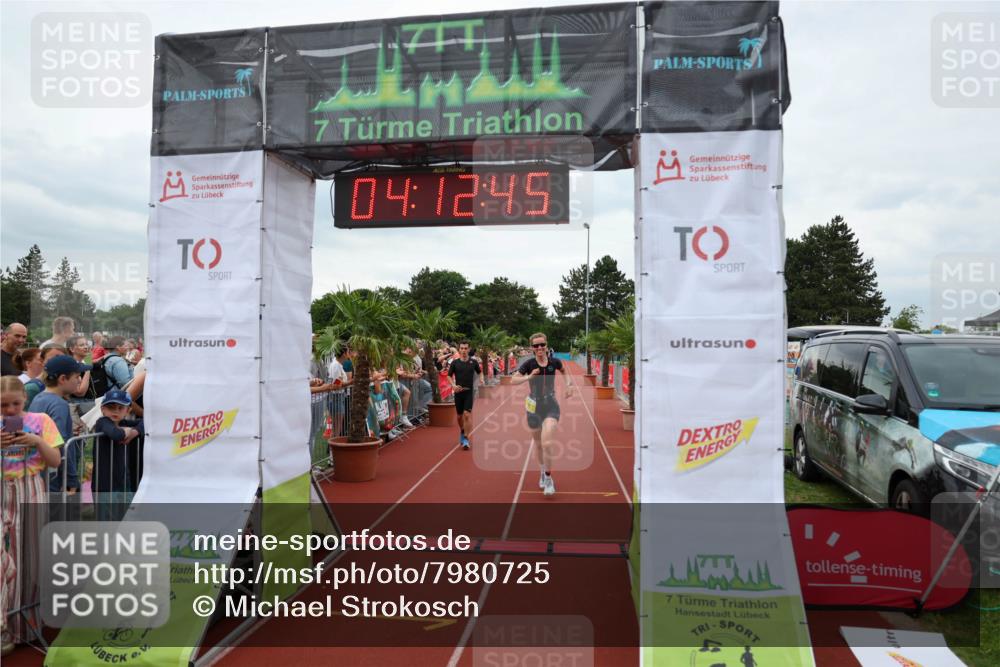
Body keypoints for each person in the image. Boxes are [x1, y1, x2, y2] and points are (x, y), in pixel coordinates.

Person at [1, 376, 63, 655]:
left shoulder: (40, 420)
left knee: (30, 557)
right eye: (3, 405)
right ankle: (4, 623)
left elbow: (56, 461)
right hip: (4, 489)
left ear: (24, 399)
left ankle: (25, 626)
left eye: (15, 403)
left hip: (32, 489)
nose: (10, 410)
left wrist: (37, 440)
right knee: (5, 561)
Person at [511, 332, 575, 497]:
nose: (539, 348)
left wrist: (569, 384)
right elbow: (513, 380)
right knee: (538, 444)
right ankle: (542, 471)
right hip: (533, 406)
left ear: (546, 345)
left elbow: (564, 371)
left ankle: (548, 478)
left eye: (542, 345)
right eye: (536, 345)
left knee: (547, 443)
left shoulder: (554, 362)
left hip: (550, 405)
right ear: (532, 348)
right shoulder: (528, 364)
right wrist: (529, 377)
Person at [30, 355, 89, 493]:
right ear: (63, 379)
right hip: (55, 477)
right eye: (77, 376)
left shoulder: (39, 398)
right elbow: (62, 445)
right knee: (58, 513)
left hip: (40, 472)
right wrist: (71, 479)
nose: (79, 380)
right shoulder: (59, 404)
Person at [91, 389, 142, 521]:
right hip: (105, 485)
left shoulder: (124, 423)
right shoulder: (102, 422)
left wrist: (135, 431)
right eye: (111, 407)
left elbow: (146, 423)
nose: (116, 411)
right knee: (107, 522)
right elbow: (116, 434)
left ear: (128, 410)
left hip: (123, 481)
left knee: (127, 518)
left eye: (121, 408)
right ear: (102, 409)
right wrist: (126, 432)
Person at [448, 341, 481, 450]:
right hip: (458, 392)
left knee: (467, 414)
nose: (463, 350)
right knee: (459, 416)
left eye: (466, 348)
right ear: (459, 349)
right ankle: (462, 430)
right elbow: (449, 376)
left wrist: (481, 379)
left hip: (469, 392)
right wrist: (453, 385)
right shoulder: (455, 363)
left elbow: (479, 372)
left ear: (469, 349)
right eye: (461, 348)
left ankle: (466, 438)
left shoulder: (473, 362)